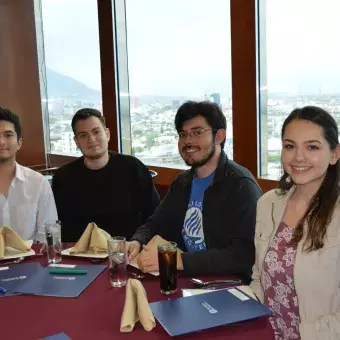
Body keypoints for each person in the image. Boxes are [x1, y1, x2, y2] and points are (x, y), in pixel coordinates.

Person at [127, 101, 262, 282]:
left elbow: (245, 254)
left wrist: (179, 260)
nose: (188, 141)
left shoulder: (240, 185)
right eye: (183, 134)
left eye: (197, 132)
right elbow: (156, 223)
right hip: (186, 278)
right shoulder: (183, 182)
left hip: (228, 285)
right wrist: (137, 241)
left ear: (219, 136)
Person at [250, 106, 340, 340]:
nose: (298, 157)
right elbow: (259, 278)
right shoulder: (268, 203)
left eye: (312, 147)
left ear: (334, 154)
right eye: (290, 146)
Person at [52, 108, 160, 242]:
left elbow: (154, 217)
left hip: (127, 251)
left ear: (107, 134)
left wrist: (138, 242)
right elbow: (59, 225)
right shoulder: (63, 177)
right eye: (83, 135)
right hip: (80, 254)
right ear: (76, 141)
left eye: (96, 132)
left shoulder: (133, 168)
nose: (91, 139)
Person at [0, 107, 57, 242]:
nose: (1, 142)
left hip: (29, 261)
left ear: (19, 143)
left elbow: (49, 234)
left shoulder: (38, 183)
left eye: (8, 135)